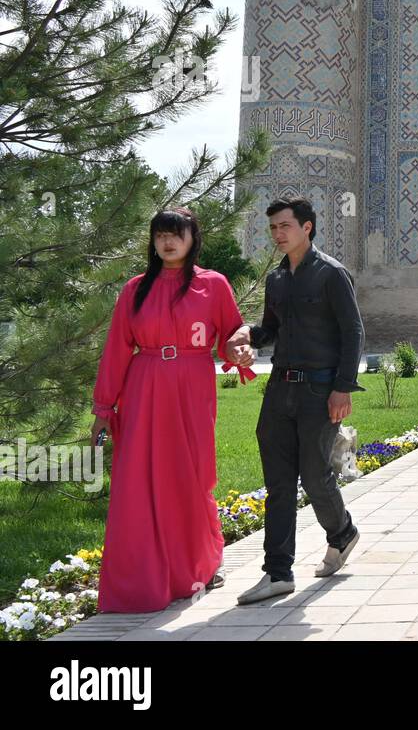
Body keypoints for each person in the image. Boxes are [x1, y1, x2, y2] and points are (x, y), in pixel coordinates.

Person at [90, 208, 255, 613]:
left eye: (175, 234)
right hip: (143, 386)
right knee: (140, 481)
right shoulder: (134, 289)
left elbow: (232, 334)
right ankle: (141, 579)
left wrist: (241, 350)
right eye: (160, 235)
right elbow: (116, 350)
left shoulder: (213, 285)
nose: (167, 242)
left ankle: (195, 567)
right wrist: (102, 406)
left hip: (193, 385)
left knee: (192, 475)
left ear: (191, 238)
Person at [226, 196, 364, 605]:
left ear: (307, 227)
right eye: (272, 228)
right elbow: (272, 330)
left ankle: (342, 533)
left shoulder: (332, 274)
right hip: (281, 389)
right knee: (279, 483)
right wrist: (247, 335)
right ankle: (278, 572)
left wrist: (343, 386)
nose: (277, 234)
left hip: (320, 390)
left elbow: (353, 331)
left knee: (316, 473)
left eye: (284, 226)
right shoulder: (277, 279)